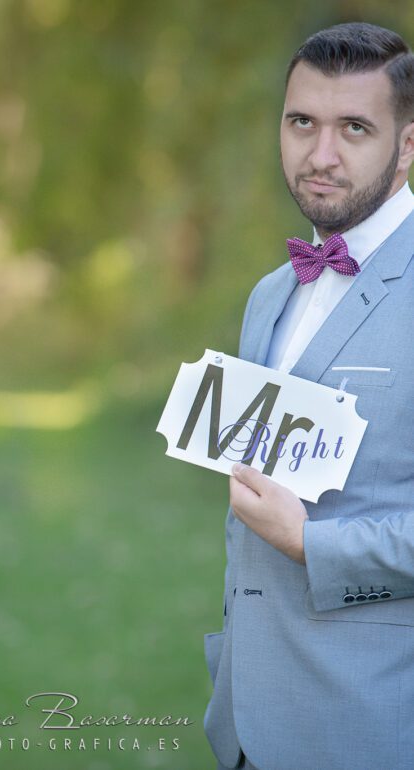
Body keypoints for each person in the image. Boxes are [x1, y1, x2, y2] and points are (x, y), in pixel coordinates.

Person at [202, 23, 414, 770]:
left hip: (373, 725)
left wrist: (309, 542)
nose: (320, 155)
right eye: (302, 123)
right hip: (247, 721)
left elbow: (296, 528)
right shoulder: (270, 293)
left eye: (355, 128)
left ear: (410, 143)